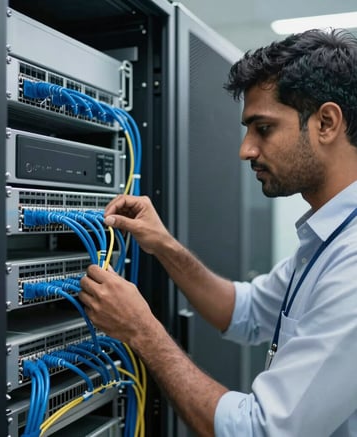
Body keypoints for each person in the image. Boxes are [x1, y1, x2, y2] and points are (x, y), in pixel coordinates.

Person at [79, 28, 357, 436]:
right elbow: (243, 311)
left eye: (262, 128)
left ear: (327, 123)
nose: (246, 149)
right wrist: (165, 246)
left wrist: (142, 329)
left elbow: (258, 430)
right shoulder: (326, 240)